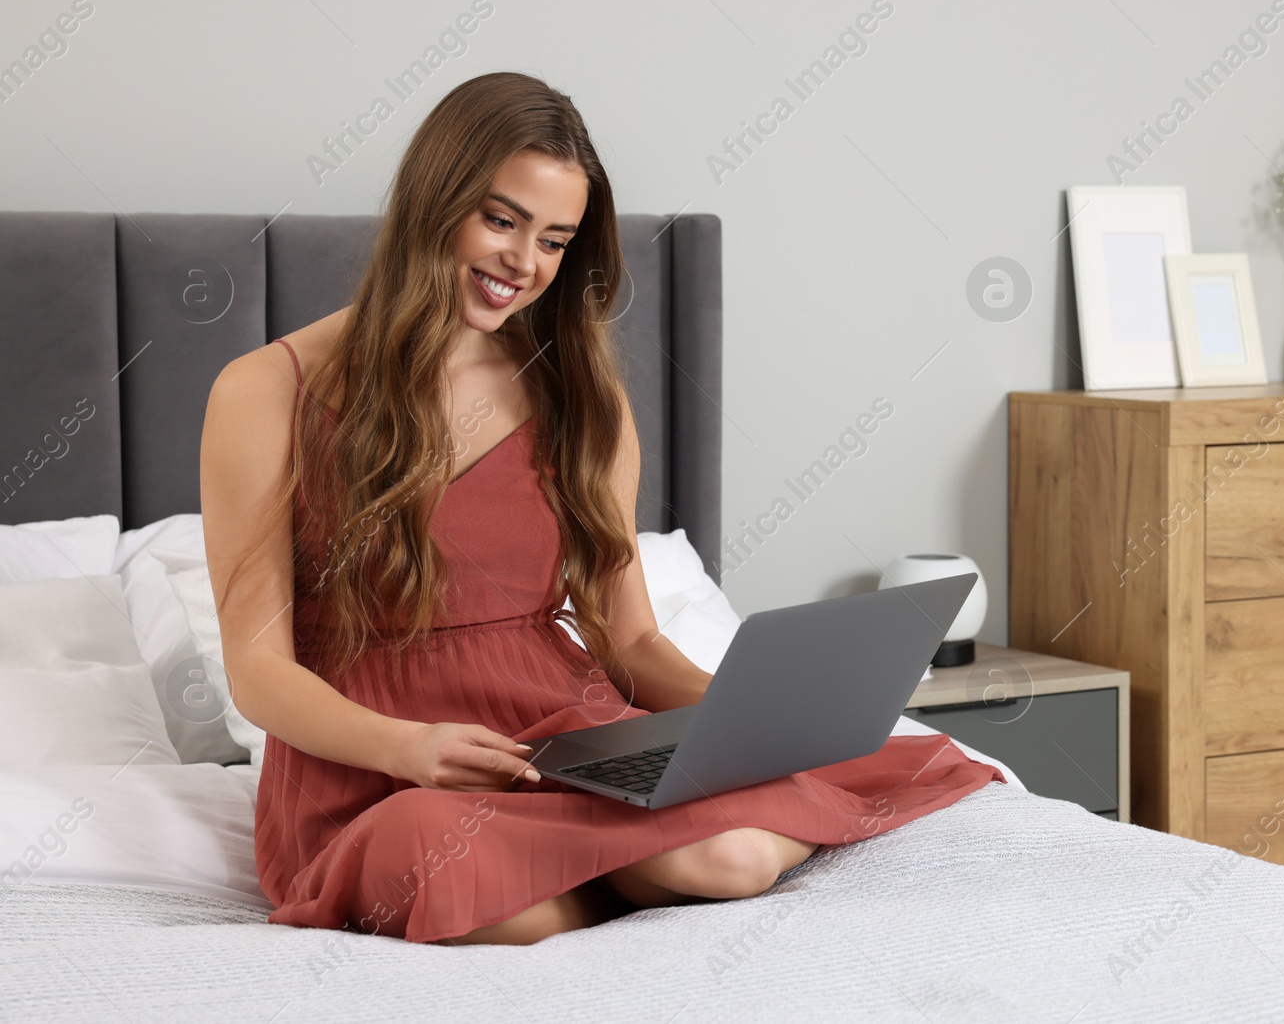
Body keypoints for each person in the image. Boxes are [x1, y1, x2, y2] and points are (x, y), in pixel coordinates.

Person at [200, 71, 1003, 947]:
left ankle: (641, 858)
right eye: (501, 220)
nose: (523, 264)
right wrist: (407, 747)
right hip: (378, 769)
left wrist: (747, 725)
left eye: (554, 240)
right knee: (457, 870)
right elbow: (257, 669)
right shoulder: (265, 391)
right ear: (434, 199)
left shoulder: (581, 396)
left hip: (561, 735)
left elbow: (630, 640)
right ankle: (623, 872)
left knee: (728, 859)